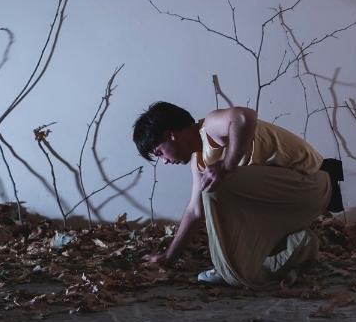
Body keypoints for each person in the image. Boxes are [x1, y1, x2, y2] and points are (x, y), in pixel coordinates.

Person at [132, 101, 341, 288]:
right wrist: (168, 257)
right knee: (212, 188)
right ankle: (299, 246)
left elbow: (244, 116)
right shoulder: (199, 162)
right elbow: (195, 212)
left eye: (160, 153)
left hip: (311, 183)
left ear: (171, 135)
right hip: (289, 199)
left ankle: (229, 272)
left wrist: (226, 165)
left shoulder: (209, 127)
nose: (164, 161)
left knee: (215, 186)